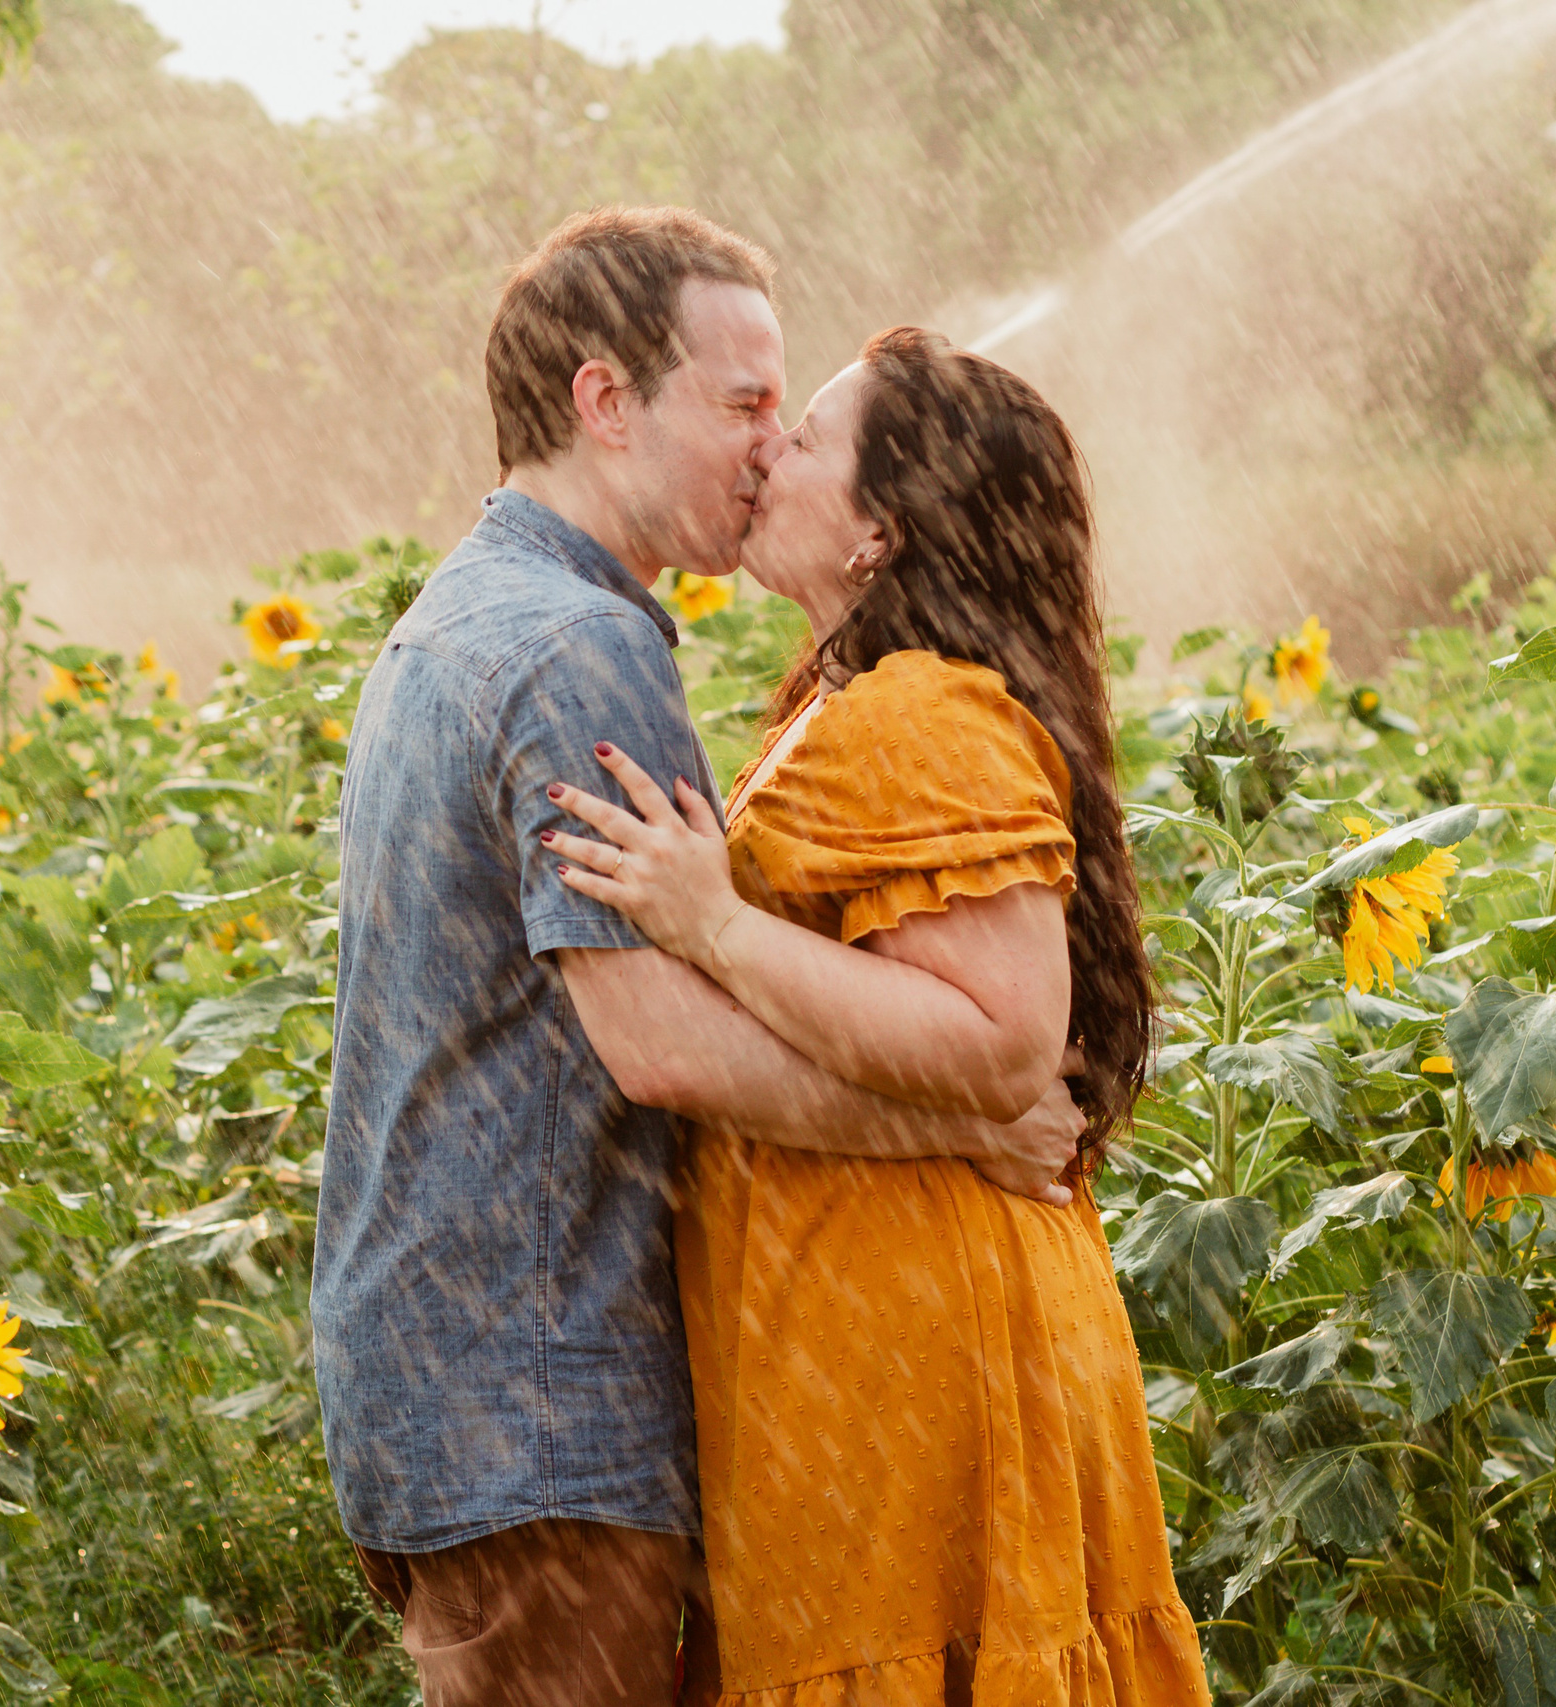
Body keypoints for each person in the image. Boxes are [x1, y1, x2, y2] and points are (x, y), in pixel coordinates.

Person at [314, 214, 1089, 1705]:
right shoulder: (576, 651)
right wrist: (971, 1118)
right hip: (539, 1411)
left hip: (464, 1401)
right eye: (743, 407)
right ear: (609, 404)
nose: (762, 450)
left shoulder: (475, 611)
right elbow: (662, 1041)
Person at [546, 327, 1210, 1704]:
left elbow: (1005, 1037)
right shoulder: (864, 701)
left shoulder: (922, 713)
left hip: (918, 1354)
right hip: (881, 1336)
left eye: (813, 436)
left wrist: (713, 923)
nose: (772, 445)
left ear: (881, 532)